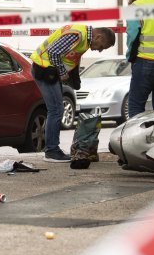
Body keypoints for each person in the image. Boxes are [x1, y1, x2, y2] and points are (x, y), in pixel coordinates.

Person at [30, 24, 116, 162]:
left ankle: (52, 149)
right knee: (56, 110)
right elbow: (53, 52)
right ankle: (52, 151)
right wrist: (63, 73)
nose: (99, 50)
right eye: (102, 46)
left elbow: (70, 56)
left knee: (56, 110)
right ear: (98, 36)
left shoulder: (83, 37)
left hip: (49, 70)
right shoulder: (78, 35)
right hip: (44, 69)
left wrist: (74, 77)